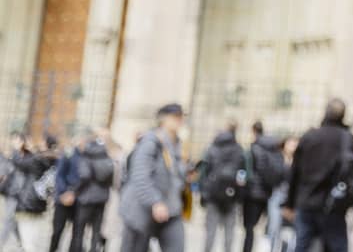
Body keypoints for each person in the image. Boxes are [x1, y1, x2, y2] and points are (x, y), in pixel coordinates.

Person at [284, 99, 353, 252]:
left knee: (302, 245)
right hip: (332, 204)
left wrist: (290, 203)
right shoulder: (346, 138)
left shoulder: (309, 137)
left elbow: (295, 172)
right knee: (336, 246)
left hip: (307, 201)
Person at [121, 104, 189, 252]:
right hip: (142, 209)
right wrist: (155, 201)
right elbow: (140, 175)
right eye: (175, 116)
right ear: (163, 118)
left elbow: (176, 175)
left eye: (181, 116)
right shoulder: (150, 141)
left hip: (171, 208)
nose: (180, 120)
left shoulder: (178, 144)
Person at [198, 123, 245, 252]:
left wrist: (204, 193)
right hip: (232, 196)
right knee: (229, 232)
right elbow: (243, 173)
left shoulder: (212, 148)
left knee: (210, 231)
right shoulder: (239, 149)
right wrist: (239, 194)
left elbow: (203, 173)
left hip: (213, 195)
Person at [69, 131, 114, 252]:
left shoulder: (86, 157)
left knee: (79, 229)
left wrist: (75, 191)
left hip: (86, 199)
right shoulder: (106, 157)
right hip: (101, 199)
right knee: (96, 229)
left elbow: (84, 176)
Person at [241, 123, 283, 252]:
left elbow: (248, 171)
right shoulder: (274, 149)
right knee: (268, 228)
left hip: (252, 193)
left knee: (249, 227)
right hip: (268, 192)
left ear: (254, 131)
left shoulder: (255, 148)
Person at [1, 134, 43, 252]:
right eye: (13, 141)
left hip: (22, 195)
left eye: (17, 141)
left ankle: (21, 244)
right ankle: (21, 243)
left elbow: (21, 165)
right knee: (11, 221)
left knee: (12, 221)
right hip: (12, 193)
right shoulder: (13, 155)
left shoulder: (27, 156)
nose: (14, 143)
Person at [47, 136, 80, 252]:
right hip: (62, 198)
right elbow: (59, 175)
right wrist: (64, 192)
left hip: (78, 199)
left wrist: (74, 193)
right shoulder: (67, 154)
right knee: (57, 230)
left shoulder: (86, 157)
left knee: (77, 233)